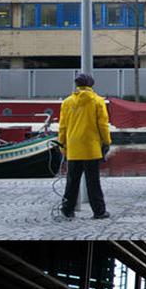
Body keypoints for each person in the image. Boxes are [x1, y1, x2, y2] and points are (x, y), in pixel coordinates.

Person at [59, 73, 112, 220]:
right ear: (91, 85)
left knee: (72, 182)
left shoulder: (67, 102)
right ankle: (99, 211)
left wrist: (62, 145)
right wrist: (106, 142)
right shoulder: (97, 101)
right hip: (91, 148)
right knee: (93, 182)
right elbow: (103, 125)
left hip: (73, 148)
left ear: (77, 85)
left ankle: (67, 210)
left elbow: (62, 127)